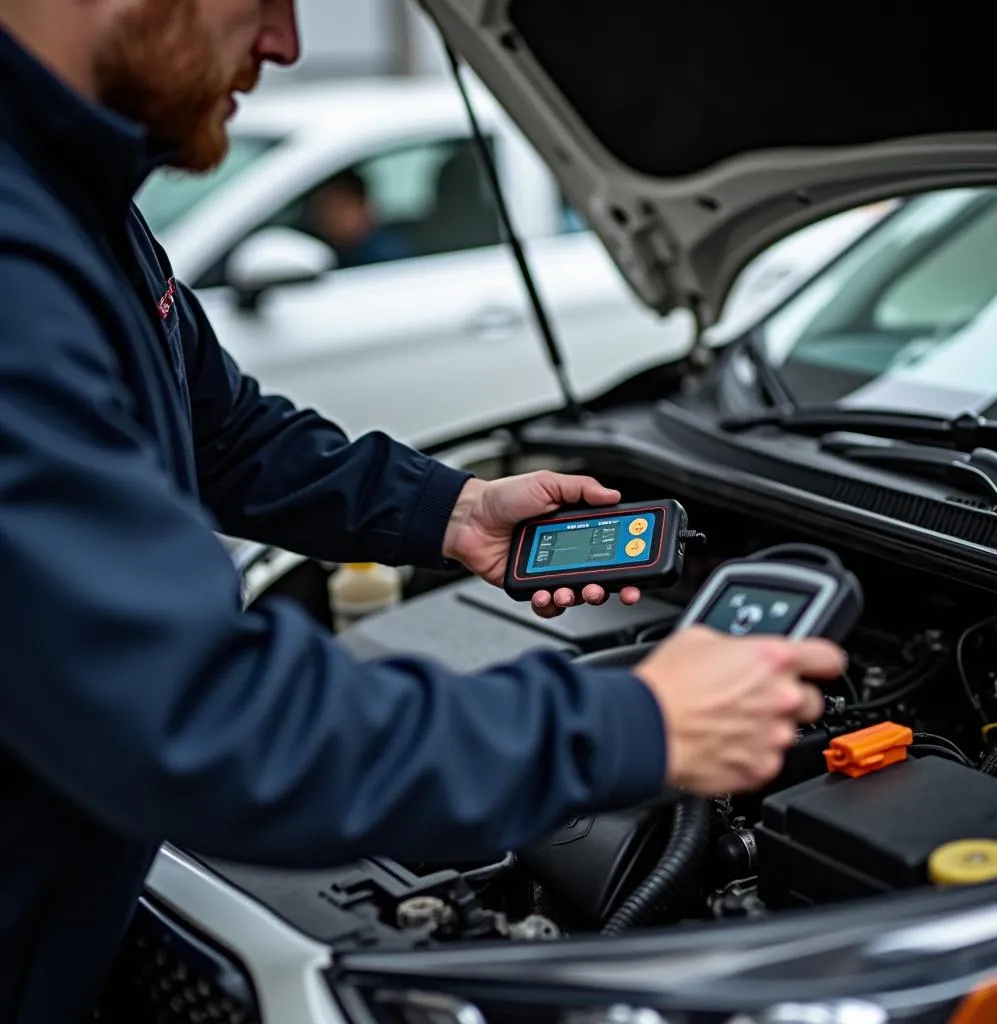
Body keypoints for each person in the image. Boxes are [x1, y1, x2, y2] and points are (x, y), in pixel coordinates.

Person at [0, 0, 845, 1019]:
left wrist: (453, 510)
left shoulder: (76, 201)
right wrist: (639, 724)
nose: (286, 43)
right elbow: (202, 717)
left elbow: (223, 432)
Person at [310, 167, 413, 267]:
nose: (330, 218)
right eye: (325, 209)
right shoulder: (332, 252)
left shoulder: (386, 256)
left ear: (362, 206)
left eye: (340, 206)